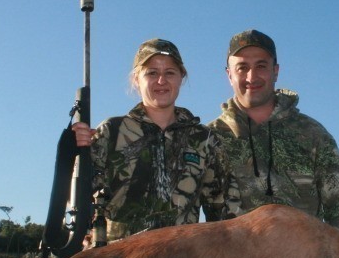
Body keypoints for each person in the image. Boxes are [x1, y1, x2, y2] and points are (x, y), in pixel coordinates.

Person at [73, 38, 238, 244]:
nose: (161, 81)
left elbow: (225, 211)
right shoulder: (110, 131)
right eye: (152, 73)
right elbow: (77, 204)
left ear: (181, 77)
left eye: (170, 72)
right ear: (136, 79)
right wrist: (74, 149)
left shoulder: (204, 139)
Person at [208, 29, 339, 237]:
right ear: (229, 75)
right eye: (242, 68)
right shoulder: (208, 138)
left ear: (276, 71)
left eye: (261, 66)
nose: (251, 76)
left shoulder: (312, 134)